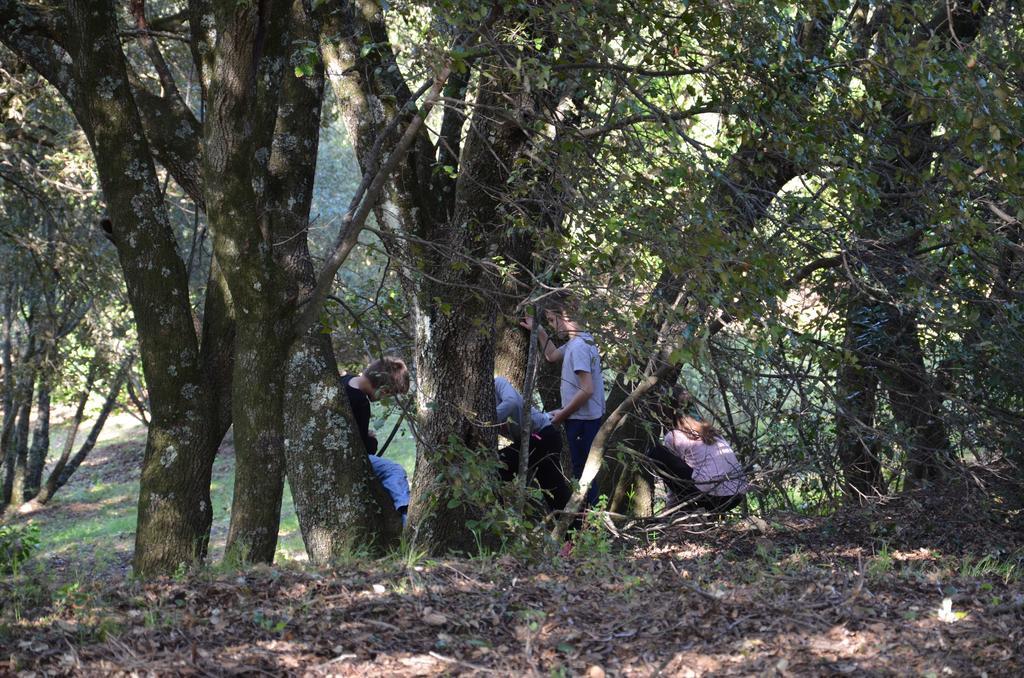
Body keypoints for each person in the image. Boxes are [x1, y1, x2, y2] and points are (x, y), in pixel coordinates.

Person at [521, 293, 605, 505]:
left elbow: (587, 389)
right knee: (584, 471)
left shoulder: (578, 347)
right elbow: (551, 356)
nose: (551, 326)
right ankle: (588, 521)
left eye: (551, 320)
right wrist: (539, 331)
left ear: (564, 315)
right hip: (582, 419)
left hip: (582, 422)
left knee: (583, 473)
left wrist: (562, 414)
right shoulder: (582, 339)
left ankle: (589, 524)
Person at [647, 389, 748, 513]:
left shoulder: (674, 437)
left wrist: (670, 507)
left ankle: (683, 509)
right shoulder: (711, 432)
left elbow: (674, 477)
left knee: (656, 452)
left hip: (715, 498)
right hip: (737, 495)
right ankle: (701, 511)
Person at [341, 357, 411, 524]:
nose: (384, 399)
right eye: (390, 394)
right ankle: (406, 519)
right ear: (385, 389)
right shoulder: (360, 401)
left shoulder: (344, 380)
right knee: (394, 471)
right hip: (347, 459)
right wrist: (371, 440)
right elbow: (363, 450)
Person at [494, 376, 571, 514]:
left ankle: (575, 526)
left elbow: (511, 402)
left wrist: (488, 420)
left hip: (543, 437)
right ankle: (572, 528)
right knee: (554, 491)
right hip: (537, 438)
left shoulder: (498, 383)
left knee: (498, 465)